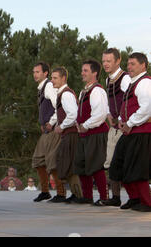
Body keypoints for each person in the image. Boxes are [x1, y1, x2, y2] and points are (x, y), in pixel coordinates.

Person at [110, 53, 151, 212]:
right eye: (128, 64)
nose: (129, 67)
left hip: (142, 132)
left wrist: (130, 123)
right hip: (129, 131)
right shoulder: (132, 84)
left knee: (137, 168)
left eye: (133, 64)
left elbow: (147, 108)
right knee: (118, 166)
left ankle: (147, 202)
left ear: (143, 66)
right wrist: (121, 120)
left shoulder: (145, 82)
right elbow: (126, 106)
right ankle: (134, 198)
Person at [99, 48, 132, 207]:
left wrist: (121, 119)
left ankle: (135, 197)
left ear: (118, 61)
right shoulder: (108, 80)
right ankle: (116, 197)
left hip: (125, 127)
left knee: (125, 163)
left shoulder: (125, 78)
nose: (105, 64)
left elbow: (130, 101)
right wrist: (109, 116)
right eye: (104, 61)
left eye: (109, 61)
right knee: (111, 163)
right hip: (114, 127)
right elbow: (107, 103)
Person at [74, 60, 109, 205]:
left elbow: (100, 114)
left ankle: (103, 197)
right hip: (84, 134)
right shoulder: (84, 91)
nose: (82, 73)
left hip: (96, 133)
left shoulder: (97, 91)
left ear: (94, 73)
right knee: (81, 165)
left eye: (86, 70)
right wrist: (78, 124)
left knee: (96, 165)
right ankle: (87, 196)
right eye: (82, 70)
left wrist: (86, 125)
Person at [31, 62, 65, 202]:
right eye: (34, 72)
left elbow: (58, 105)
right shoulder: (42, 88)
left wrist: (51, 122)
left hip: (53, 130)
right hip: (45, 131)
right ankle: (45, 191)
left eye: (38, 72)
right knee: (38, 160)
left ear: (45, 73)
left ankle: (61, 192)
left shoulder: (49, 86)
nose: (35, 74)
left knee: (52, 161)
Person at [51, 67, 84, 203]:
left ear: (63, 78)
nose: (52, 81)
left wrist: (61, 126)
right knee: (66, 163)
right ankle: (76, 193)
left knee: (70, 164)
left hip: (71, 134)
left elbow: (73, 114)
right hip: (68, 134)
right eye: (52, 78)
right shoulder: (62, 94)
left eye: (55, 78)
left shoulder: (66, 94)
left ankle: (79, 194)